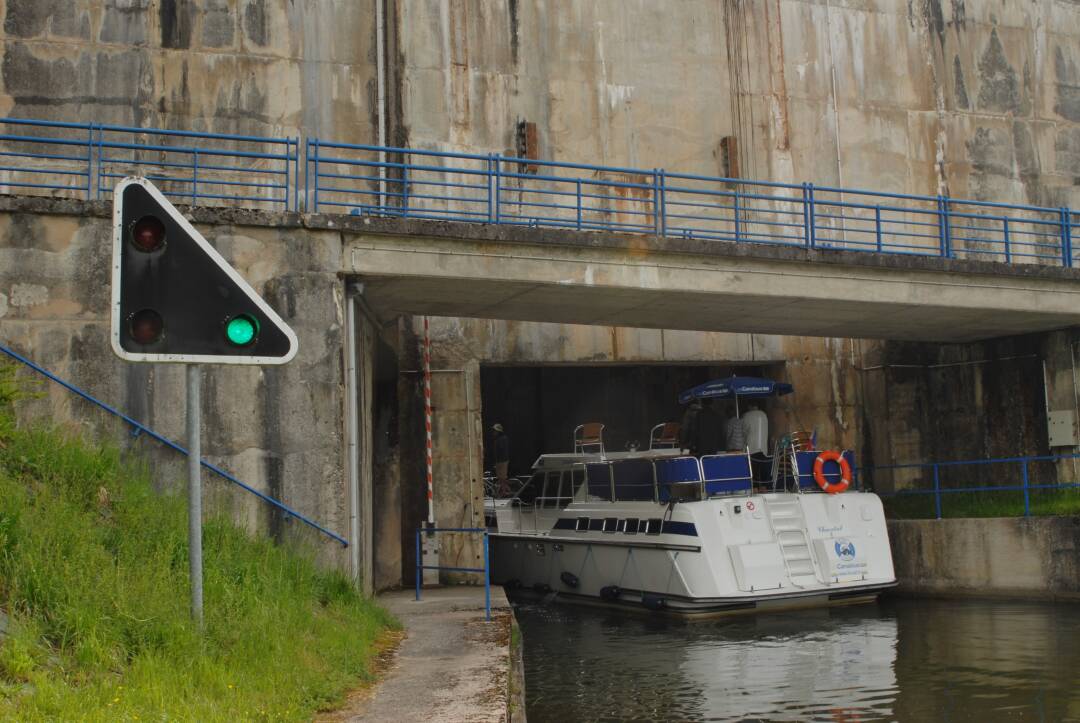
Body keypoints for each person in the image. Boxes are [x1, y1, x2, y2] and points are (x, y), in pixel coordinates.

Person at [492, 423, 510, 497]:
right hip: (499, 461)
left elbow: (502, 451)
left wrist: (500, 462)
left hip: (502, 461)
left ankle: (505, 492)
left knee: (502, 478)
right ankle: (504, 491)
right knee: (500, 478)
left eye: (495, 431)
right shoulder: (498, 440)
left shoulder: (503, 439)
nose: (494, 432)